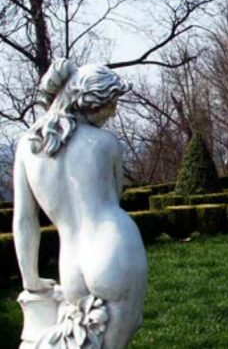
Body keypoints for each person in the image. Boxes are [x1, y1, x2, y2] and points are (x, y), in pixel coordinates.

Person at [13, 59, 147, 348]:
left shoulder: (27, 147)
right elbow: (114, 197)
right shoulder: (106, 143)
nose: (114, 110)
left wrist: (31, 280)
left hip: (70, 262)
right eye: (111, 103)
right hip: (114, 246)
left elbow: (24, 220)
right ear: (89, 102)